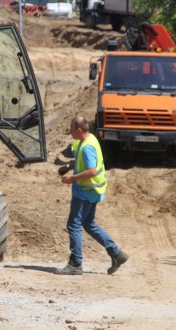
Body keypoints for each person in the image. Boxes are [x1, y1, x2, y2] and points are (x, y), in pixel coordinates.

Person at [56, 116, 129, 275]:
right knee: (88, 223)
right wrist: (69, 167)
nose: (70, 132)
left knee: (73, 224)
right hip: (92, 191)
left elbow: (92, 171)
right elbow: (83, 161)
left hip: (85, 192)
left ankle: (75, 264)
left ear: (79, 130)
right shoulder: (89, 140)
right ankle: (116, 254)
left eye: (72, 129)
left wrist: (72, 178)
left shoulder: (87, 146)